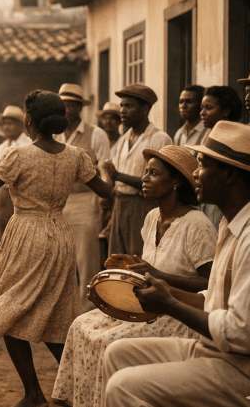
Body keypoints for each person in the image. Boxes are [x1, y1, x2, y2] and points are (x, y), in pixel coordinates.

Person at [0, 90, 113, 407]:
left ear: (29, 121)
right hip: (59, 233)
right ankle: (87, 388)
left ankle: (34, 394)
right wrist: (107, 171)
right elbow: (107, 191)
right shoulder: (76, 155)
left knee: (6, 314)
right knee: (56, 316)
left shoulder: (19, 156)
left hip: (26, 235)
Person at [99, 121, 250, 406]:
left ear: (229, 174)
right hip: (213, 350)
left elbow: (239, 333)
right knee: (117, 353)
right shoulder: (230, 224)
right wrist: (165, 291)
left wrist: (170, 306)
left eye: (203, 164)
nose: (194, 173)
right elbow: (212, 299)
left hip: (240, 367)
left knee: (123, 387)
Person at [53, 145, 215, 407]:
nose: (144, 178)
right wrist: (127, 269)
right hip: (147, 304)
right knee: (80, 326)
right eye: (145, 172)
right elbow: (149, 268)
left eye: (154, 173)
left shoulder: (198, 224)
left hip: (177, 312)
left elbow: (211, 284)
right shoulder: (151, 217)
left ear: (175, 182)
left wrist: (159, 275)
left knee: (107, 341)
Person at [54, 84, 111, 310]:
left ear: (80, 107)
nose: (68, 109)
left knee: (86, 260)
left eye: (72, 105)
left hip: (86, 200)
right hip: (58, 202)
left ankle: (88, 311)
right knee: (60, 260)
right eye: (64, 105)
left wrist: (104, 201)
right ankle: (63, 312)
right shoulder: (54, 133)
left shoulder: (96, 133)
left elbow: (106, 169)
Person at [102, 84, 173, 257]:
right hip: (120, 204)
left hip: (143, 206)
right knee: (117, 260)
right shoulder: (124, 140)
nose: (123, 111)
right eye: (122, 106)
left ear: (145, 109)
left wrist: (117, 175)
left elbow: (158, 183)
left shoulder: (159, 139)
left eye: (129, 106)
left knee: (139, 259)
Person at [198, 85, 244, 227]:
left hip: (227, 202)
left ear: (225, 111)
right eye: (202, 108)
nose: (202, 113)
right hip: (208, 199)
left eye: (209, 108)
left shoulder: (236, 136)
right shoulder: (206, 135)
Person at [0, 105, 32, 240]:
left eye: (10, 123)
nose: (6, 127)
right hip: (5, 195)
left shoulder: (29, 144)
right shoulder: (1, 147)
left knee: (23, 234)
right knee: (5, 233)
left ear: (21, 125)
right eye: (4, 124)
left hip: (25, 195)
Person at [96, 101, 123, 267]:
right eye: (105, 118)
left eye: (113, 118)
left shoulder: (123, 143)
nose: (108, 122)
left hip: (118, 191)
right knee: (99, 230)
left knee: (114, 234)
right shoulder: (98, 139)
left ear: (119, 121)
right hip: (100, 193)